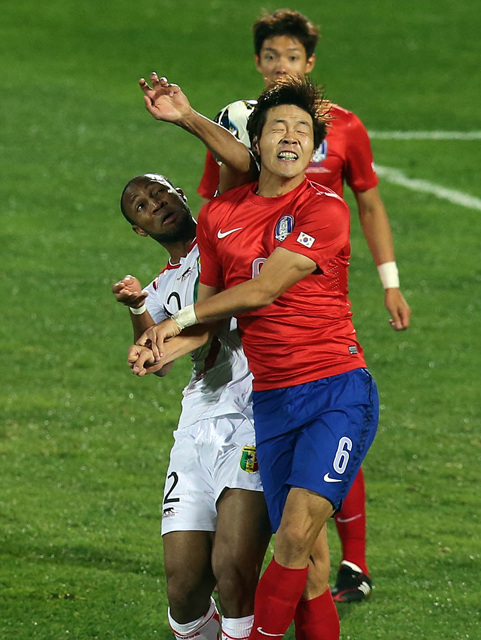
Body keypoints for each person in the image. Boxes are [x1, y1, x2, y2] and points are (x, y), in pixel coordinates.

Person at [130, 73, 379, 639]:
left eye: (301, 130)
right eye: (277, 128)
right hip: (270, 402)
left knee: (290, 541)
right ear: (257, 143)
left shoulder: (325, 208)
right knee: (311, 564)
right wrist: (157, 341)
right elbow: (213, 319)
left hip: (335, 388)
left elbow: (265, 290)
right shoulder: (221, 217)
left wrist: (178, 319)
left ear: (314, 148)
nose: (290, 137)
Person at [197, 8, 411, 602]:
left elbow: (365, 203)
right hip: (255, 307)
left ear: (309, 63)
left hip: (314, 282)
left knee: (334, 415)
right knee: (301, 525)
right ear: (258, 61)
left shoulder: (343, 130)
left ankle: (357, 562)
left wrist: (389, 279)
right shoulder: (240, 126)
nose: (280, 66)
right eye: (271, 57)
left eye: (291, 58)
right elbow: (221, 203)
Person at [112, 172, 271, 640]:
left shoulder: (227, 238)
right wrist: (139, 307)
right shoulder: (162, 287)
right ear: (140, 231)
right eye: (141, 206)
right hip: (199, 421)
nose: (155, 203)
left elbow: (217, 322)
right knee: (183, 587)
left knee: (233, 572)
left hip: (254, 412)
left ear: (181, 192)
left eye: (160, 192)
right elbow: (156, 361)